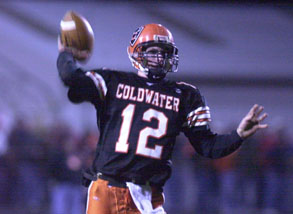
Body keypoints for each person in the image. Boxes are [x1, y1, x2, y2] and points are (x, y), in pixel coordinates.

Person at [57, 23, 268, 214]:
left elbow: (208, 147)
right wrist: (66, 53)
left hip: (147, 194)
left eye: (164, 53)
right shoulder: (113, 82)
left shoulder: (185, 95)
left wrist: (238, 135)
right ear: (136, 53)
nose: (159, 58)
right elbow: (70, 77)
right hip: (106, 189)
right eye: (152, 52)